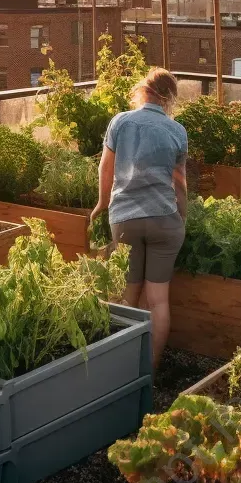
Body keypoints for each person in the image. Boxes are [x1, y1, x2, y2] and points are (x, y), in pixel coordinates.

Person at [89, 67, 187, 367]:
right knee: (158, 301)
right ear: (169, 99)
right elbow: (180, 182)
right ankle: (150, 372)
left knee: (126, 299)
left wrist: (101, 204)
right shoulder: (176, 130)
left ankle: (123, 371)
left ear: (142, 90)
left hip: (126, 220)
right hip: (165, 220)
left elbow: (106, 169)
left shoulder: (121, 122)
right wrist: (182, 217)